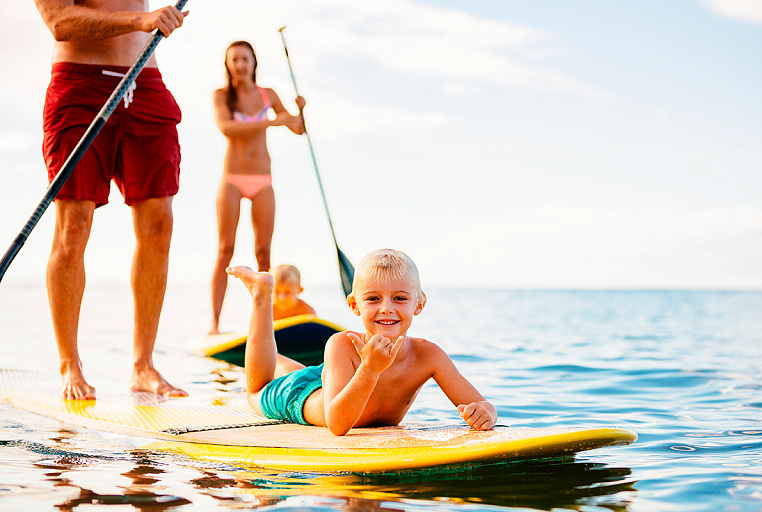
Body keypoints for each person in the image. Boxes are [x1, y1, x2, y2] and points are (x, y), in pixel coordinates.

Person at [34, 0, 189, 400]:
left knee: (160, 223)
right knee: (73, 225)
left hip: (145, 79)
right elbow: (59, 20)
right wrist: (140, 20)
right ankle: (70, 363)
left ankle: (144, 365)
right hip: (80, 84)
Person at [227, 249, 497, 436]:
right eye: (373, 299)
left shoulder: (429, 355)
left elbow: (482, 403)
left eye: (400, 298)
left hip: (331, 380)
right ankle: (262, 294)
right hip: (300, 398)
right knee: (256, 390)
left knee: (301, 371)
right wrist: (369, 369)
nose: (386, 309)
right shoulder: (342, 345)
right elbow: (337, 425)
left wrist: (486, 414)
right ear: (355, 305)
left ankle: (284, 361)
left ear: (419, 303)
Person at [209, 40, 306, 335]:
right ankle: (215, 325)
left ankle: (265, 324)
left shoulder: (269, 95)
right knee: (225, 249)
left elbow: (297, 128)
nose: (240, 64)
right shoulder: (222, 96)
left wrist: (301, 111)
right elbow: (227, 128)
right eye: (234, 59)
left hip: (263, 179)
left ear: (254, 62)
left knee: (264, 254)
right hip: (233, 179)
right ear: (228, 65)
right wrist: (272, 123)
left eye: (244, 59)